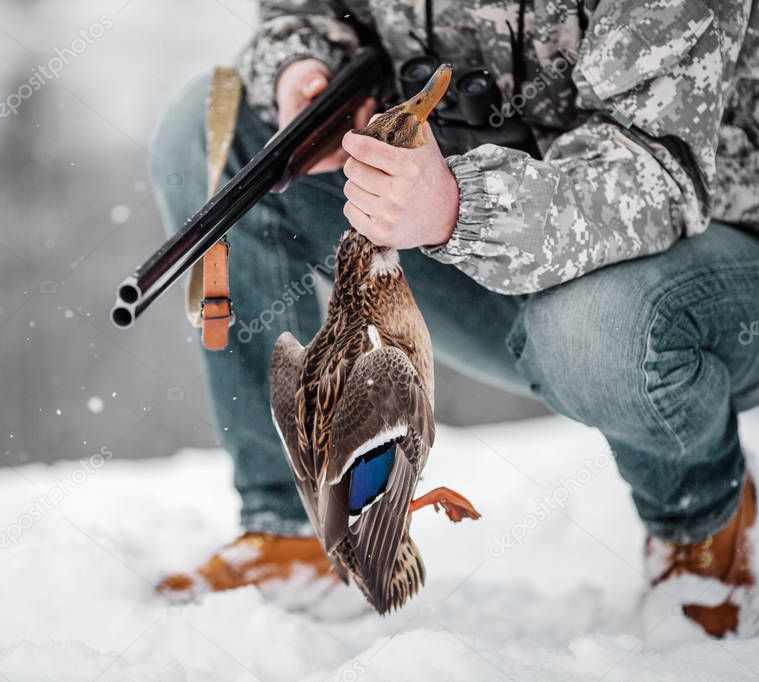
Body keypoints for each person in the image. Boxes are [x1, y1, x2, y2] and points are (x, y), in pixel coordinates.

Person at [148, 0, 759, 637]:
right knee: (209, 127)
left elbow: (657, 167)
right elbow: (307, 10)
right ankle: (295, 527)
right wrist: (306, 67)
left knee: (594, 330)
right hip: (461, 237)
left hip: (706, 261)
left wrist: (461, 208)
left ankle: (702, 524)